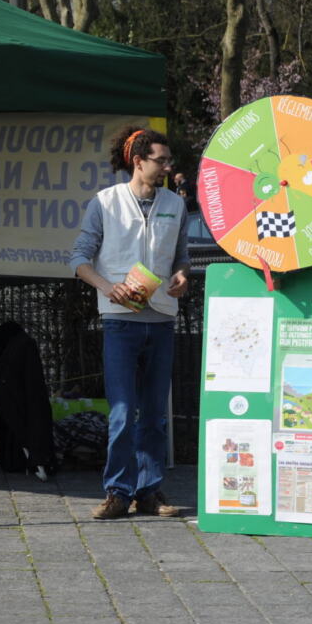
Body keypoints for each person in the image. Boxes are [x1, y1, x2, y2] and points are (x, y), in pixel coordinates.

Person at [70, 126, 191, 521]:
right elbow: (79, 260)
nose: (167, 166)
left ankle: (149, 492)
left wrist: (182, 276)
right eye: (161, 160)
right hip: (120, 321)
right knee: (122, 411)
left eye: (168, 160)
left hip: (161, 319)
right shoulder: (104, 203)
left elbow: (181, 258)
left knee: (155, 413)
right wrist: (108, 287)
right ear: (138, 162)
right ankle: (117, 492)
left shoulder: (175, 204)